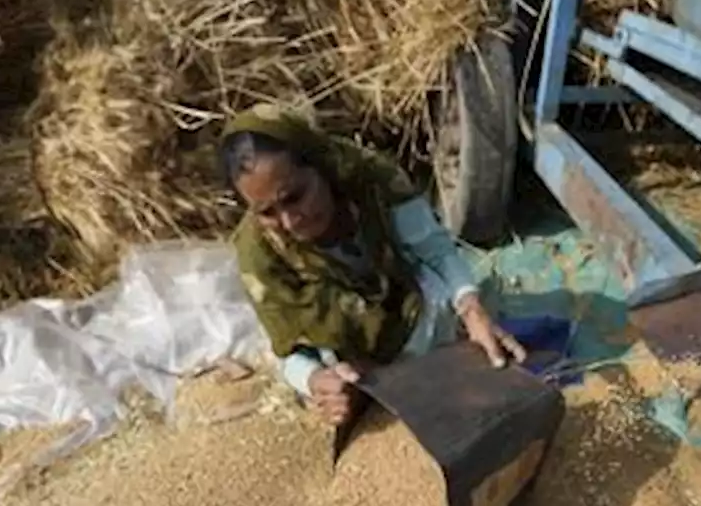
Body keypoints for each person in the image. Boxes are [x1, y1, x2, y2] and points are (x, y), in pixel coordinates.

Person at [220, 103, 526, 426]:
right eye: (267, 212)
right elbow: (289, 350)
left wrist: (471, 307)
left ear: (320, 165)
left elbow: (436, 252)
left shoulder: (371, 179)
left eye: (295, 196)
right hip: (349, 355)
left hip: (410, 303)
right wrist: (317, 381)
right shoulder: (259, 253)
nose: (290, 220)